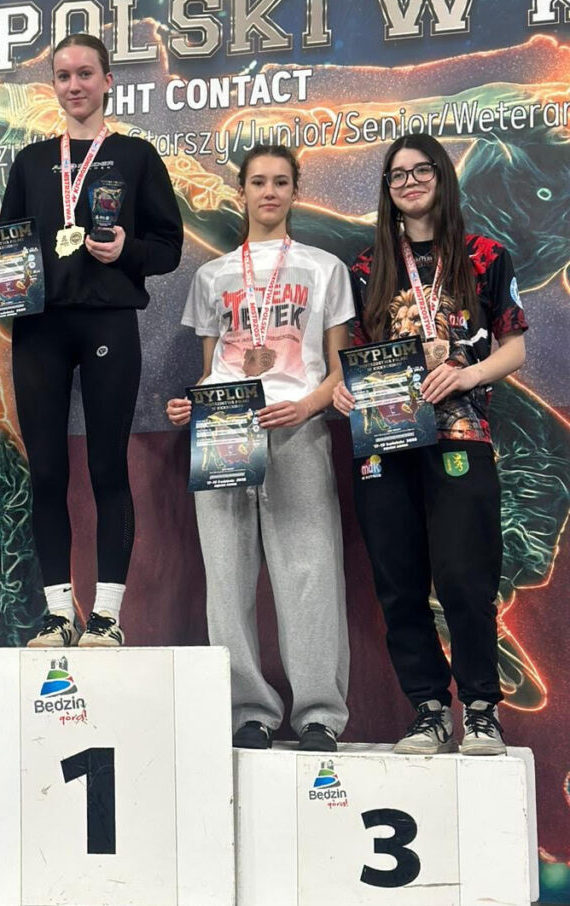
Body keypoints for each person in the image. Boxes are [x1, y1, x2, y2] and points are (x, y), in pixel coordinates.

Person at [0, 33, 183, 648]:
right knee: (47, 471)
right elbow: (5, 245)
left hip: (108, 322)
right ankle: (58, 615)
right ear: (52, 85)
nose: (74, 85)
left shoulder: (136, 156)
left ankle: (106, 615)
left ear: (108, 81)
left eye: (86, 73)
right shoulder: (31, 161)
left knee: (107, 466)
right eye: (63, 75)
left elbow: (168, 248)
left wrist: (126, 250)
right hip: (40, 328)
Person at [333, 133, 527, 756]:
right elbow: (353, 358)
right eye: (397, 175)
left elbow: (515, 348)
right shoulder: (368, 267)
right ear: (387, 190)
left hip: (460, 434)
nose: (409, 182)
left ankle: (481, 709)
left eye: (421, 171)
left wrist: (469, 375)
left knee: (466, 577)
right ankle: (428, 710)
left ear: (442, 177)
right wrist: (344, 392)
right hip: (384, 442)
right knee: (398, 582)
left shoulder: (485, 254)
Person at [166, 145, 351, 752]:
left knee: (311, 572)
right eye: (258, 182)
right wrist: (191, 404)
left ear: (295, 191)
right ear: (240, 191)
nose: (269, 192)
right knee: (227, 576)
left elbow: (338, 369)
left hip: (297, 427)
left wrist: (310, 406)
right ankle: (249, 710)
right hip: (223, 433)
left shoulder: (325, 268)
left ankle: (319, 713)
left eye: (280, 182)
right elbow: (209, 371)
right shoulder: (212, 277)